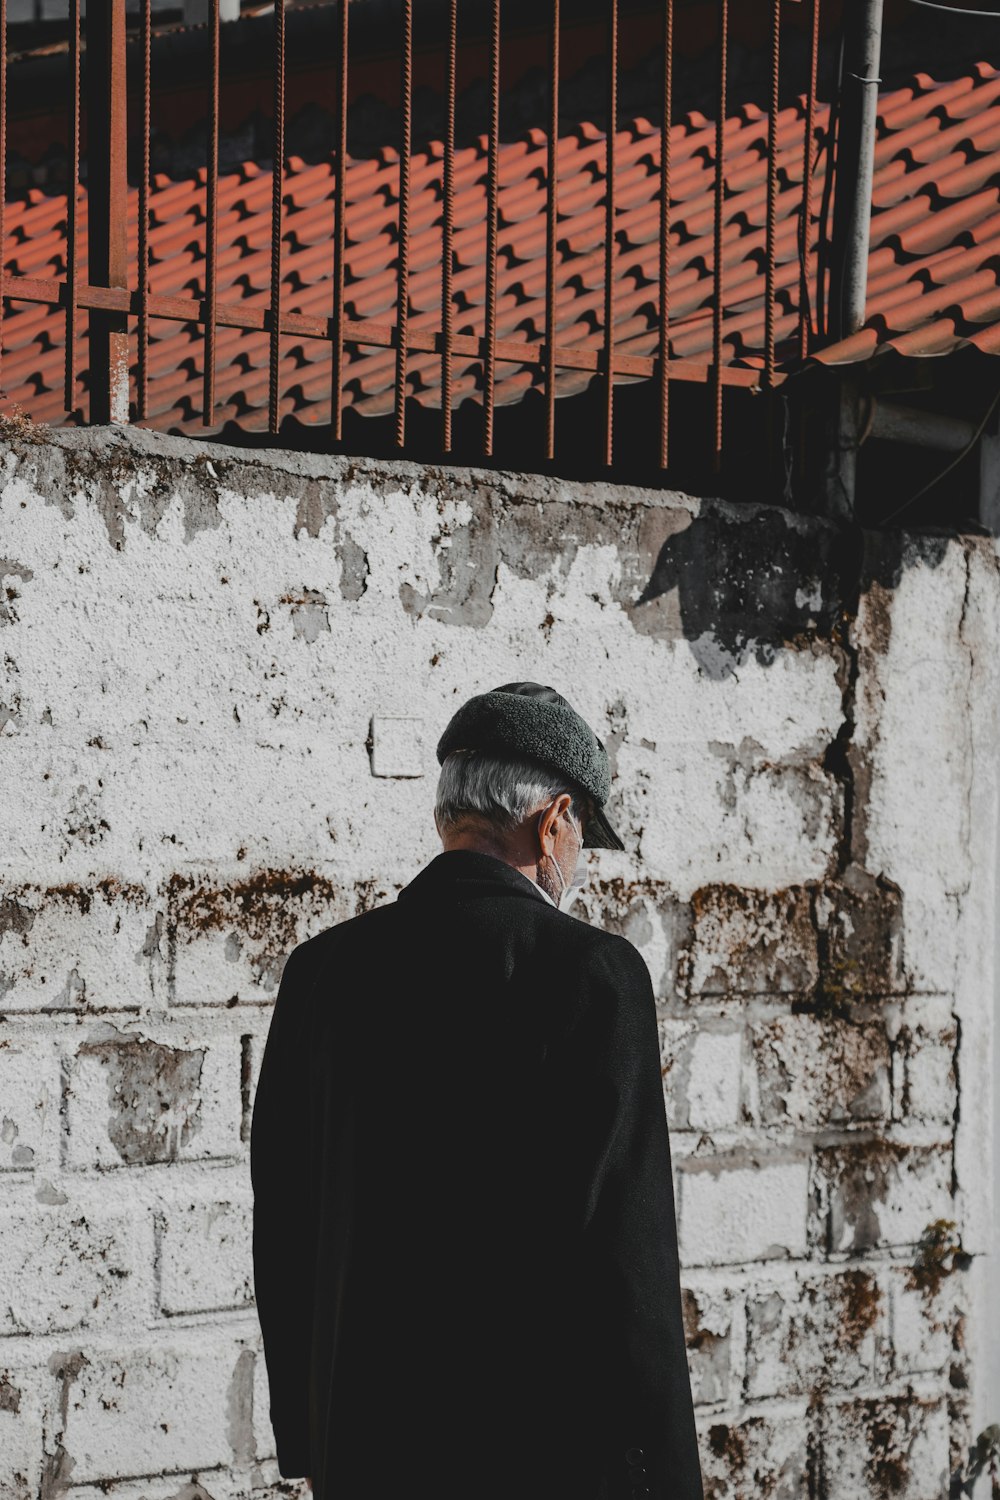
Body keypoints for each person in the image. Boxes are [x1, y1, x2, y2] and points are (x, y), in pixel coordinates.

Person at [250, 681, 704, 1500]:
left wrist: (310, 1440)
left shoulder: (322, 972)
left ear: (447, 818)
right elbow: (629, 1265)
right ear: (553, 819)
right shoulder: (591, 977)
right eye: (579, 838)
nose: (574, 862)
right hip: (536, 1461)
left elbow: (284, 1227)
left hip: (363, 1453)